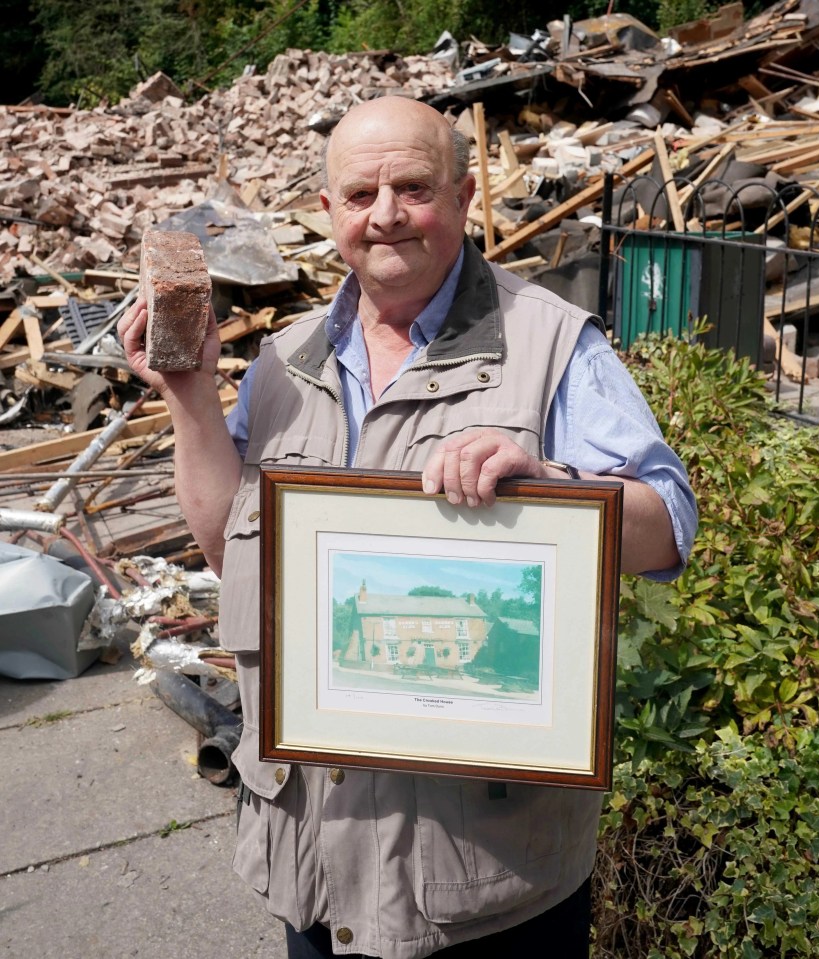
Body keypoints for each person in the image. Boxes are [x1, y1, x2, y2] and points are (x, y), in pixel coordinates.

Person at [119, 96, 697, 959]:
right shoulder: (286, 362)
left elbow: (670, 524)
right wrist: (193, 400)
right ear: (328, 215)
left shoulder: (550, 342)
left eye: (413, 187)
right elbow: (224, 548)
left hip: (488, 879)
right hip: (314, 856)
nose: (385, 214)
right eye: (360, 195)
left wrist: (555, 486)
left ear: (464, 197)